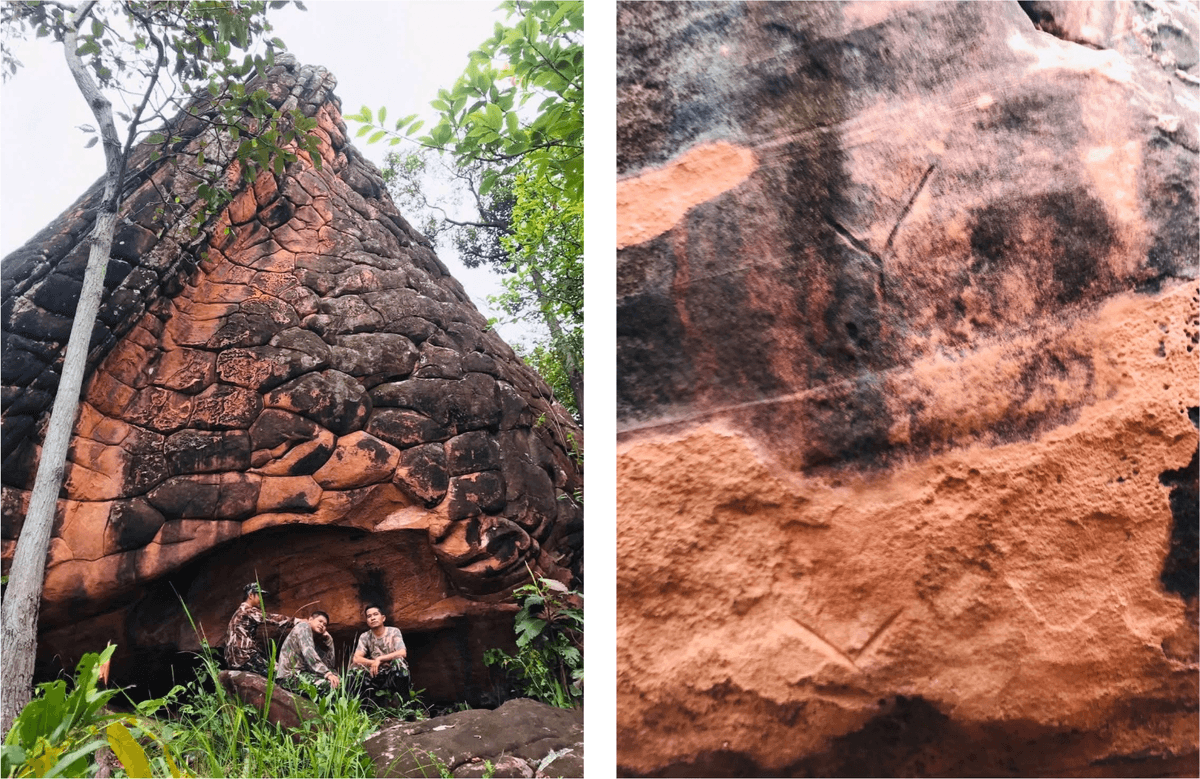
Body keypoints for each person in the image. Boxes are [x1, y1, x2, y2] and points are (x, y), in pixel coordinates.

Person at [223, 582, 295, 675]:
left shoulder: (237, 614)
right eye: (259, 596)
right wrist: (296, 621)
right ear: (251, 595)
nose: (261, 599)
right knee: (279, 673)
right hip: (244, 659)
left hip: (233, 661)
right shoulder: (247, 610)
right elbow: (271, 618)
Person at [349, 604, 410, 705]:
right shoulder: (365, 636)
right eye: (369, 616)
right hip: (376, 672)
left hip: (392, 671)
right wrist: (374, 662)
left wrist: (380, 659)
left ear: (383, 618)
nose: (372, 618)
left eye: (375, 614)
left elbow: (402, 652)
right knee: (354, 669)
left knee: (398, 662)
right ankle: (362, 708)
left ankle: (407, 706)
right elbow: (356, 658)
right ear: (367, 621)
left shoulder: (394, 631)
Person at [277, 611, 340, 694]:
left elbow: (330, 665)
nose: (322, 625)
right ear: (310, 619)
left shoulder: (315, 637)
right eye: (320, 621)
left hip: (302, 674)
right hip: (289, 677)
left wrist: (329, 641)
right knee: (328, 685)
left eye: (325, 625)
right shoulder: (303, 626)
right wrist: (327, 674)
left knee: (338, 680)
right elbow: (309, 652)